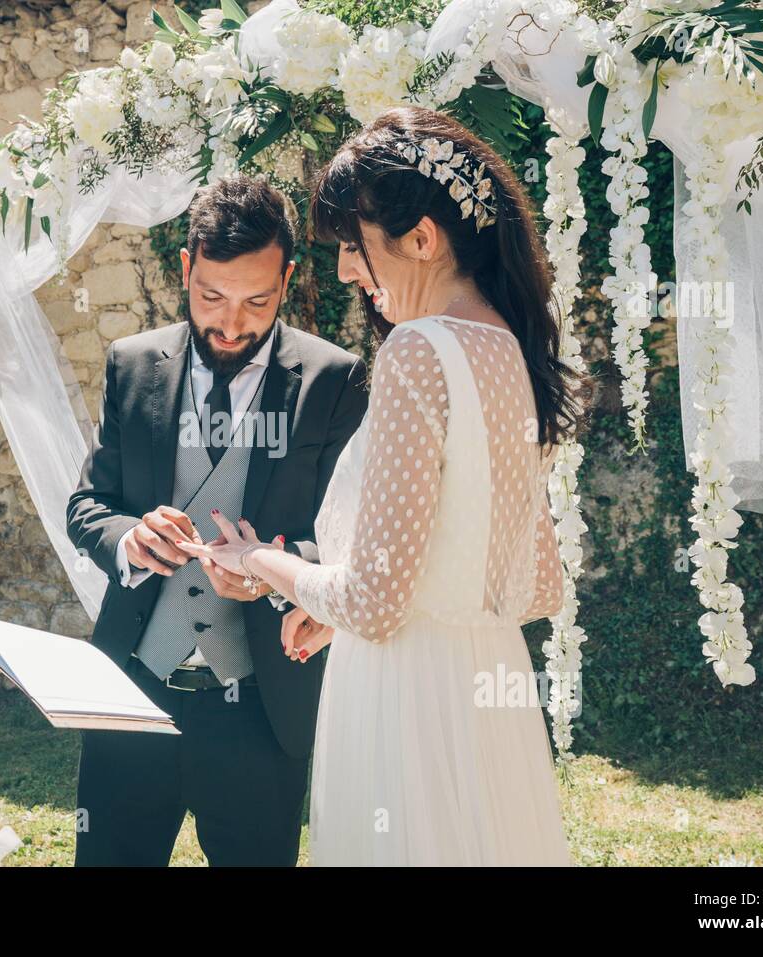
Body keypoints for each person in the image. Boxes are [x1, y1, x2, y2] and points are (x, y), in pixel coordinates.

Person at [180, 106, 582, 865]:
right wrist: (370, 611)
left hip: (409, 710)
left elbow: (373, 598)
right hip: (493, 710)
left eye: (355, 247)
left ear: (423, 239)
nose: (344, 271)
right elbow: (536, 588)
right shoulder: (512, 354)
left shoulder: (418, 352)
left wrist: (259, 563)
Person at [66, 175, 368, 865]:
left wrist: (273, 568)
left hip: (261, 707)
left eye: (256, 300)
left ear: (287, 279)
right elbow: (89, 505)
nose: (231, 323)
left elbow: (349, 539)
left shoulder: (334, 381)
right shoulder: (132, 364)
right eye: (212, 298)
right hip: (133, 690)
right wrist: (130, 539)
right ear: (185, 269)